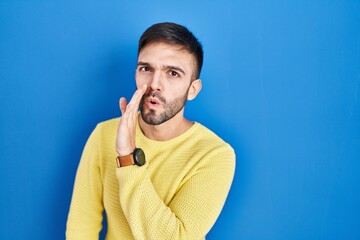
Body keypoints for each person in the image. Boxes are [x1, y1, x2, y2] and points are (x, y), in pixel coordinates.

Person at [66, 22, 235, 240]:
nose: (155, 84)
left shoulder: (215, 154)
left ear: (192, 89)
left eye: (172, 73)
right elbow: (81, 228)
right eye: (146, 69)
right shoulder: (104, 134)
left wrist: (128, 158)